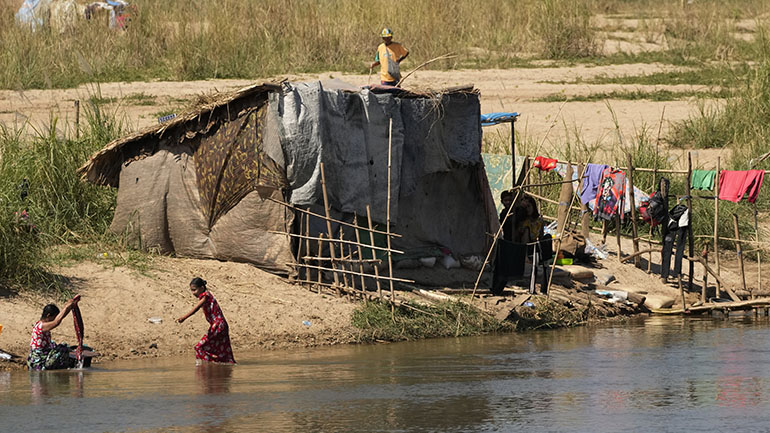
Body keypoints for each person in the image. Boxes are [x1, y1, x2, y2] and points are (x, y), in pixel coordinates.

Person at [177, 278, 236, 364]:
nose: (193, 293)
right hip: (221, 325)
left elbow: (196, 308)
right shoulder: (207, 295)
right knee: (221, 349)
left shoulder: (206, 296)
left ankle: (206, 369)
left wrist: (184, 317)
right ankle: (218, 366)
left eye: (194, 290)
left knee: (199, 347)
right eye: (191, 291)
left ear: (201, 288)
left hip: (218, 326)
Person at [27, 296, 80, 370]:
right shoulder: (42, 326)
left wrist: (69, 307)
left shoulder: (40, 324)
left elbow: (59, 318)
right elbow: (56, 322)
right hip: (38, 361)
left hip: (40, 356)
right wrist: (67, 307)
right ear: (48, 316)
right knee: (63, 348)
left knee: (55, 345)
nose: (54, 319)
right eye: (53, 317)